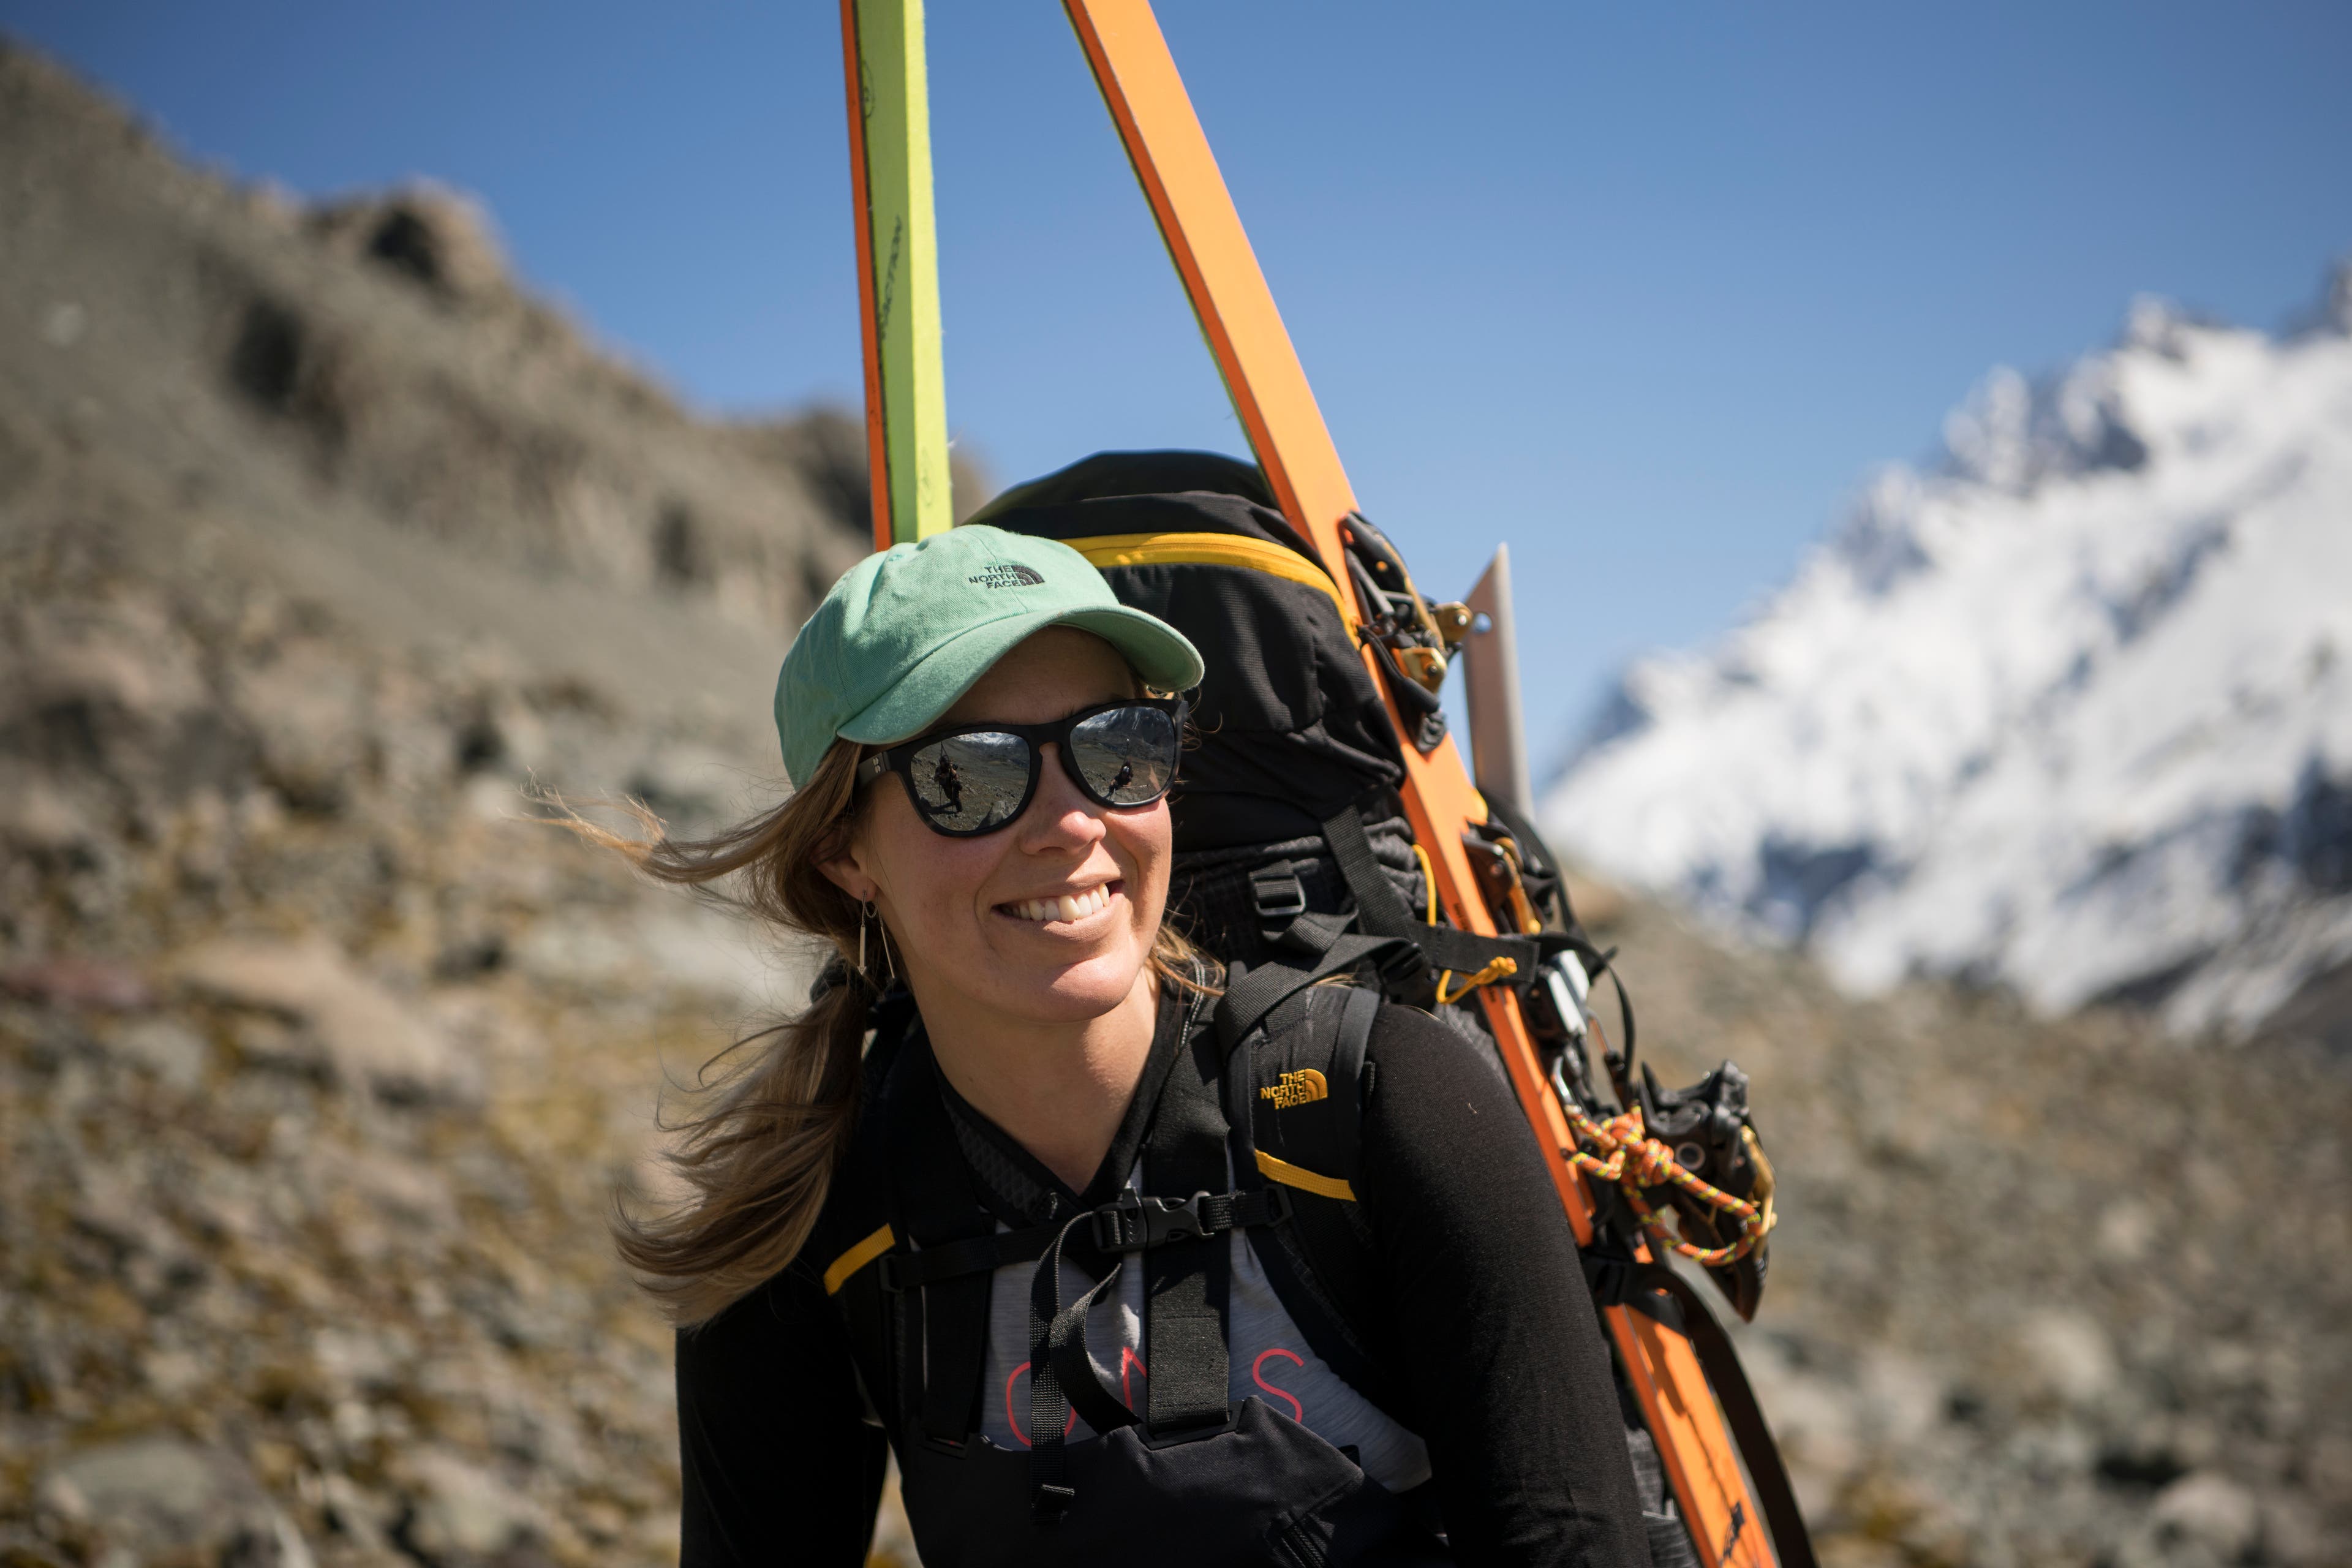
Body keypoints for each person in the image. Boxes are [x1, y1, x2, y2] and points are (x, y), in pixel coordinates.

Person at [589, 524, 1651, 1565]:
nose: (1070, 822)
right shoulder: (811, 1219)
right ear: (840, 853)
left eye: (1119, 749)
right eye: (971, 776)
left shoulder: (1383, 1105)